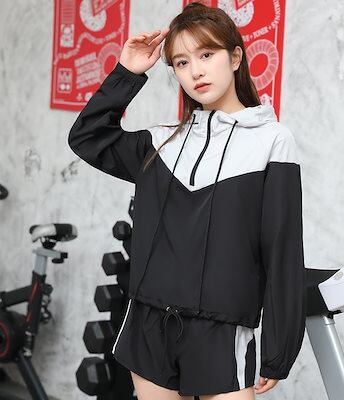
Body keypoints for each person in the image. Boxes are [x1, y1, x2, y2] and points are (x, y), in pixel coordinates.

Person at [68, 3, 306, 399]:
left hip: (221, 331)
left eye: (206, 54)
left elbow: (282, 248)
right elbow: (86, 137)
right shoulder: (160, 143)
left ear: (235, 57)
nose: (195, 71)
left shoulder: (272, 141)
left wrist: (278, 350)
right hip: (148, 325)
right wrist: (127, 72)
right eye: (181, 62)